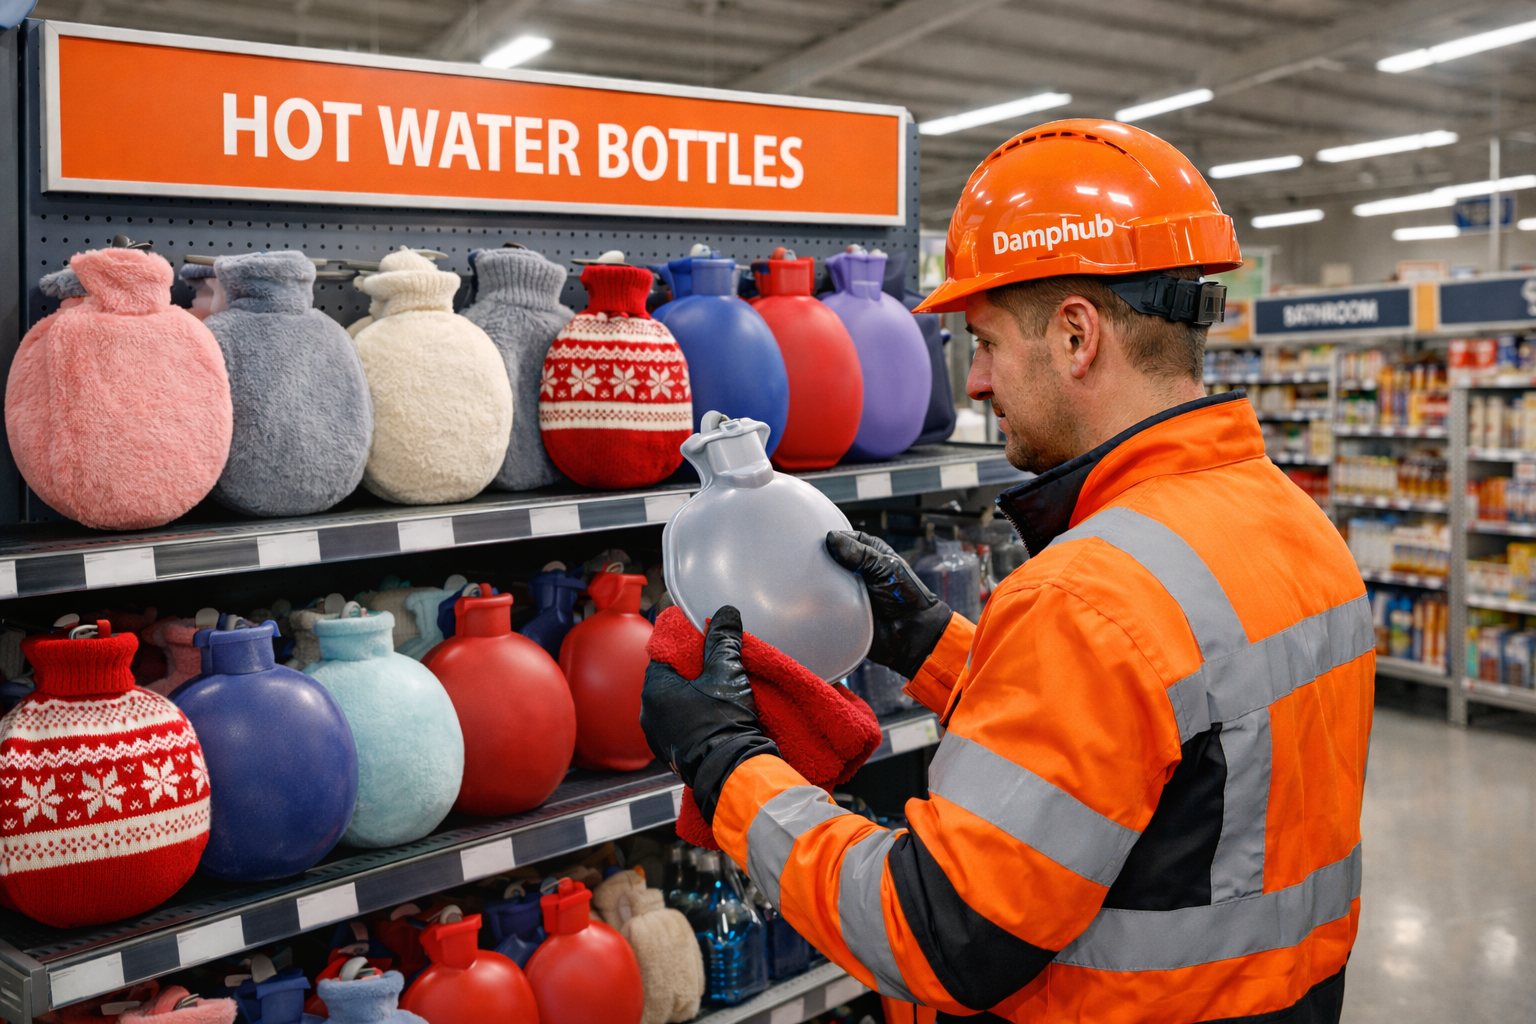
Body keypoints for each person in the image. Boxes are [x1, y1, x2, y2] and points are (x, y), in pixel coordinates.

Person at [640, 119, 1373, 1024]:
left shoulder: (1089, 595)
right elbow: (1148, 738)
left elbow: (939, 928)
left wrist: (726, 763)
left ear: (1076, 336)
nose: (976, 381)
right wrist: (929, 644)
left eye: (983, 341)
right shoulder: (1293, 522)